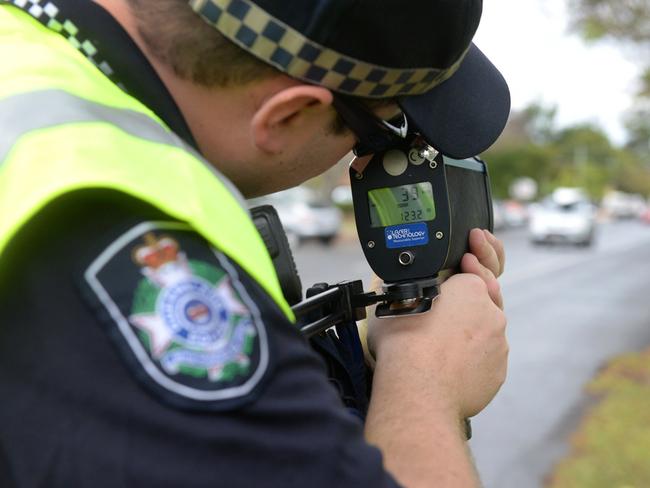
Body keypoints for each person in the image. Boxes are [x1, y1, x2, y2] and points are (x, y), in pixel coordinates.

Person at [0, 0, 510, 486]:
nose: (369, 159)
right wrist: (425, 380)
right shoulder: (118, 233)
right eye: (378, 133)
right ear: (287, 115)